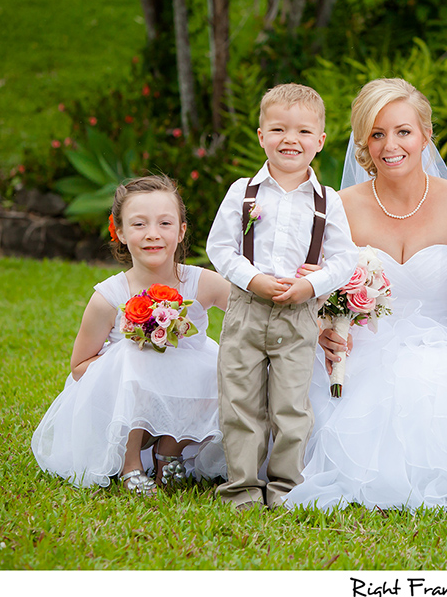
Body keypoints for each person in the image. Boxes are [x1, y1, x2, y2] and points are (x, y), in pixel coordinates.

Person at [283, 77, 447, 514]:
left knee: (433, 379)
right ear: (363, 141)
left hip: (445, 344)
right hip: (361, 348)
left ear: (425, 135)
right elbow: (314, 288)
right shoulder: (338, 206)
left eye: (403, 131)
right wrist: (323, 329)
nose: (390, 145)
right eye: (377, 134)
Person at [206, 83, 357, 511]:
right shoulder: (242, 192)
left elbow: (344, 258)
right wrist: (252, 279)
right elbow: (220, 247)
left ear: (320, 141)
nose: (291, 139)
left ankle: (286, 488)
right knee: (240, 400)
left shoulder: (327, 201)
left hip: (298, 314)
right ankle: (242, 488)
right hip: (247, 310)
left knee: (291, 405)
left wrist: (312, 284)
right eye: (278, 129)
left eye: (303, 131)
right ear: (261, 136)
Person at [32, 174, 231, 494]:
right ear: (121, 232)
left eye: (165, 223)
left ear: (181, 231)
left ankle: (170, 453)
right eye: (139, 224)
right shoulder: (109, 297)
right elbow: (79, 366)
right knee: (132, 355)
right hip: (123, 409)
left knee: (215, 364)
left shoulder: (202, 283)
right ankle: (130, 464)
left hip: (182, 401)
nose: (153, 234)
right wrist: (127, 362)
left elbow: (251, 309)